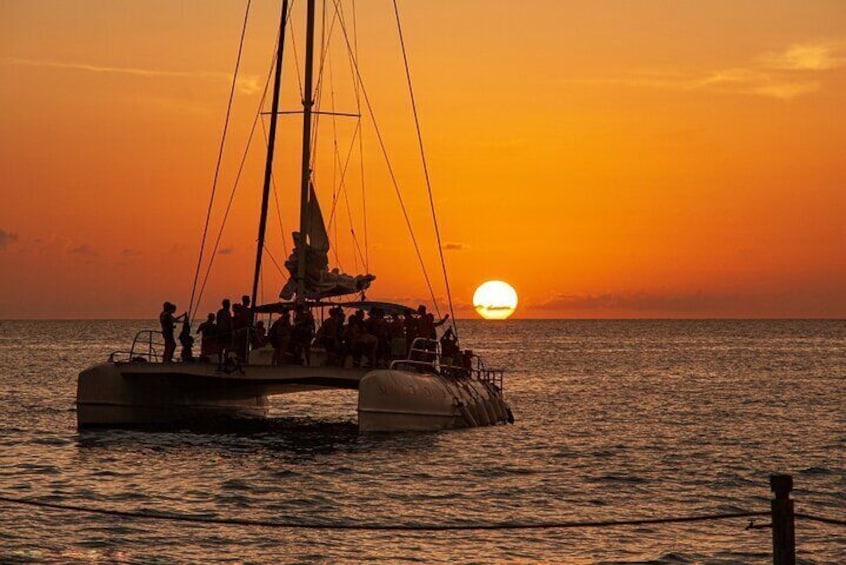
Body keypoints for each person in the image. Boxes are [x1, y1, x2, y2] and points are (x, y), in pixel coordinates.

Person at [216, 299, 232, 365]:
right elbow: (228, 322)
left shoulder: (221, 312)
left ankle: (223, 361)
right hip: (224, 332)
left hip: (223, 332)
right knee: (223, 347)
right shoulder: (225, 312)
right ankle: (222, 361)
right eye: (228, 304)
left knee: (223, 348)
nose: (229, 305)